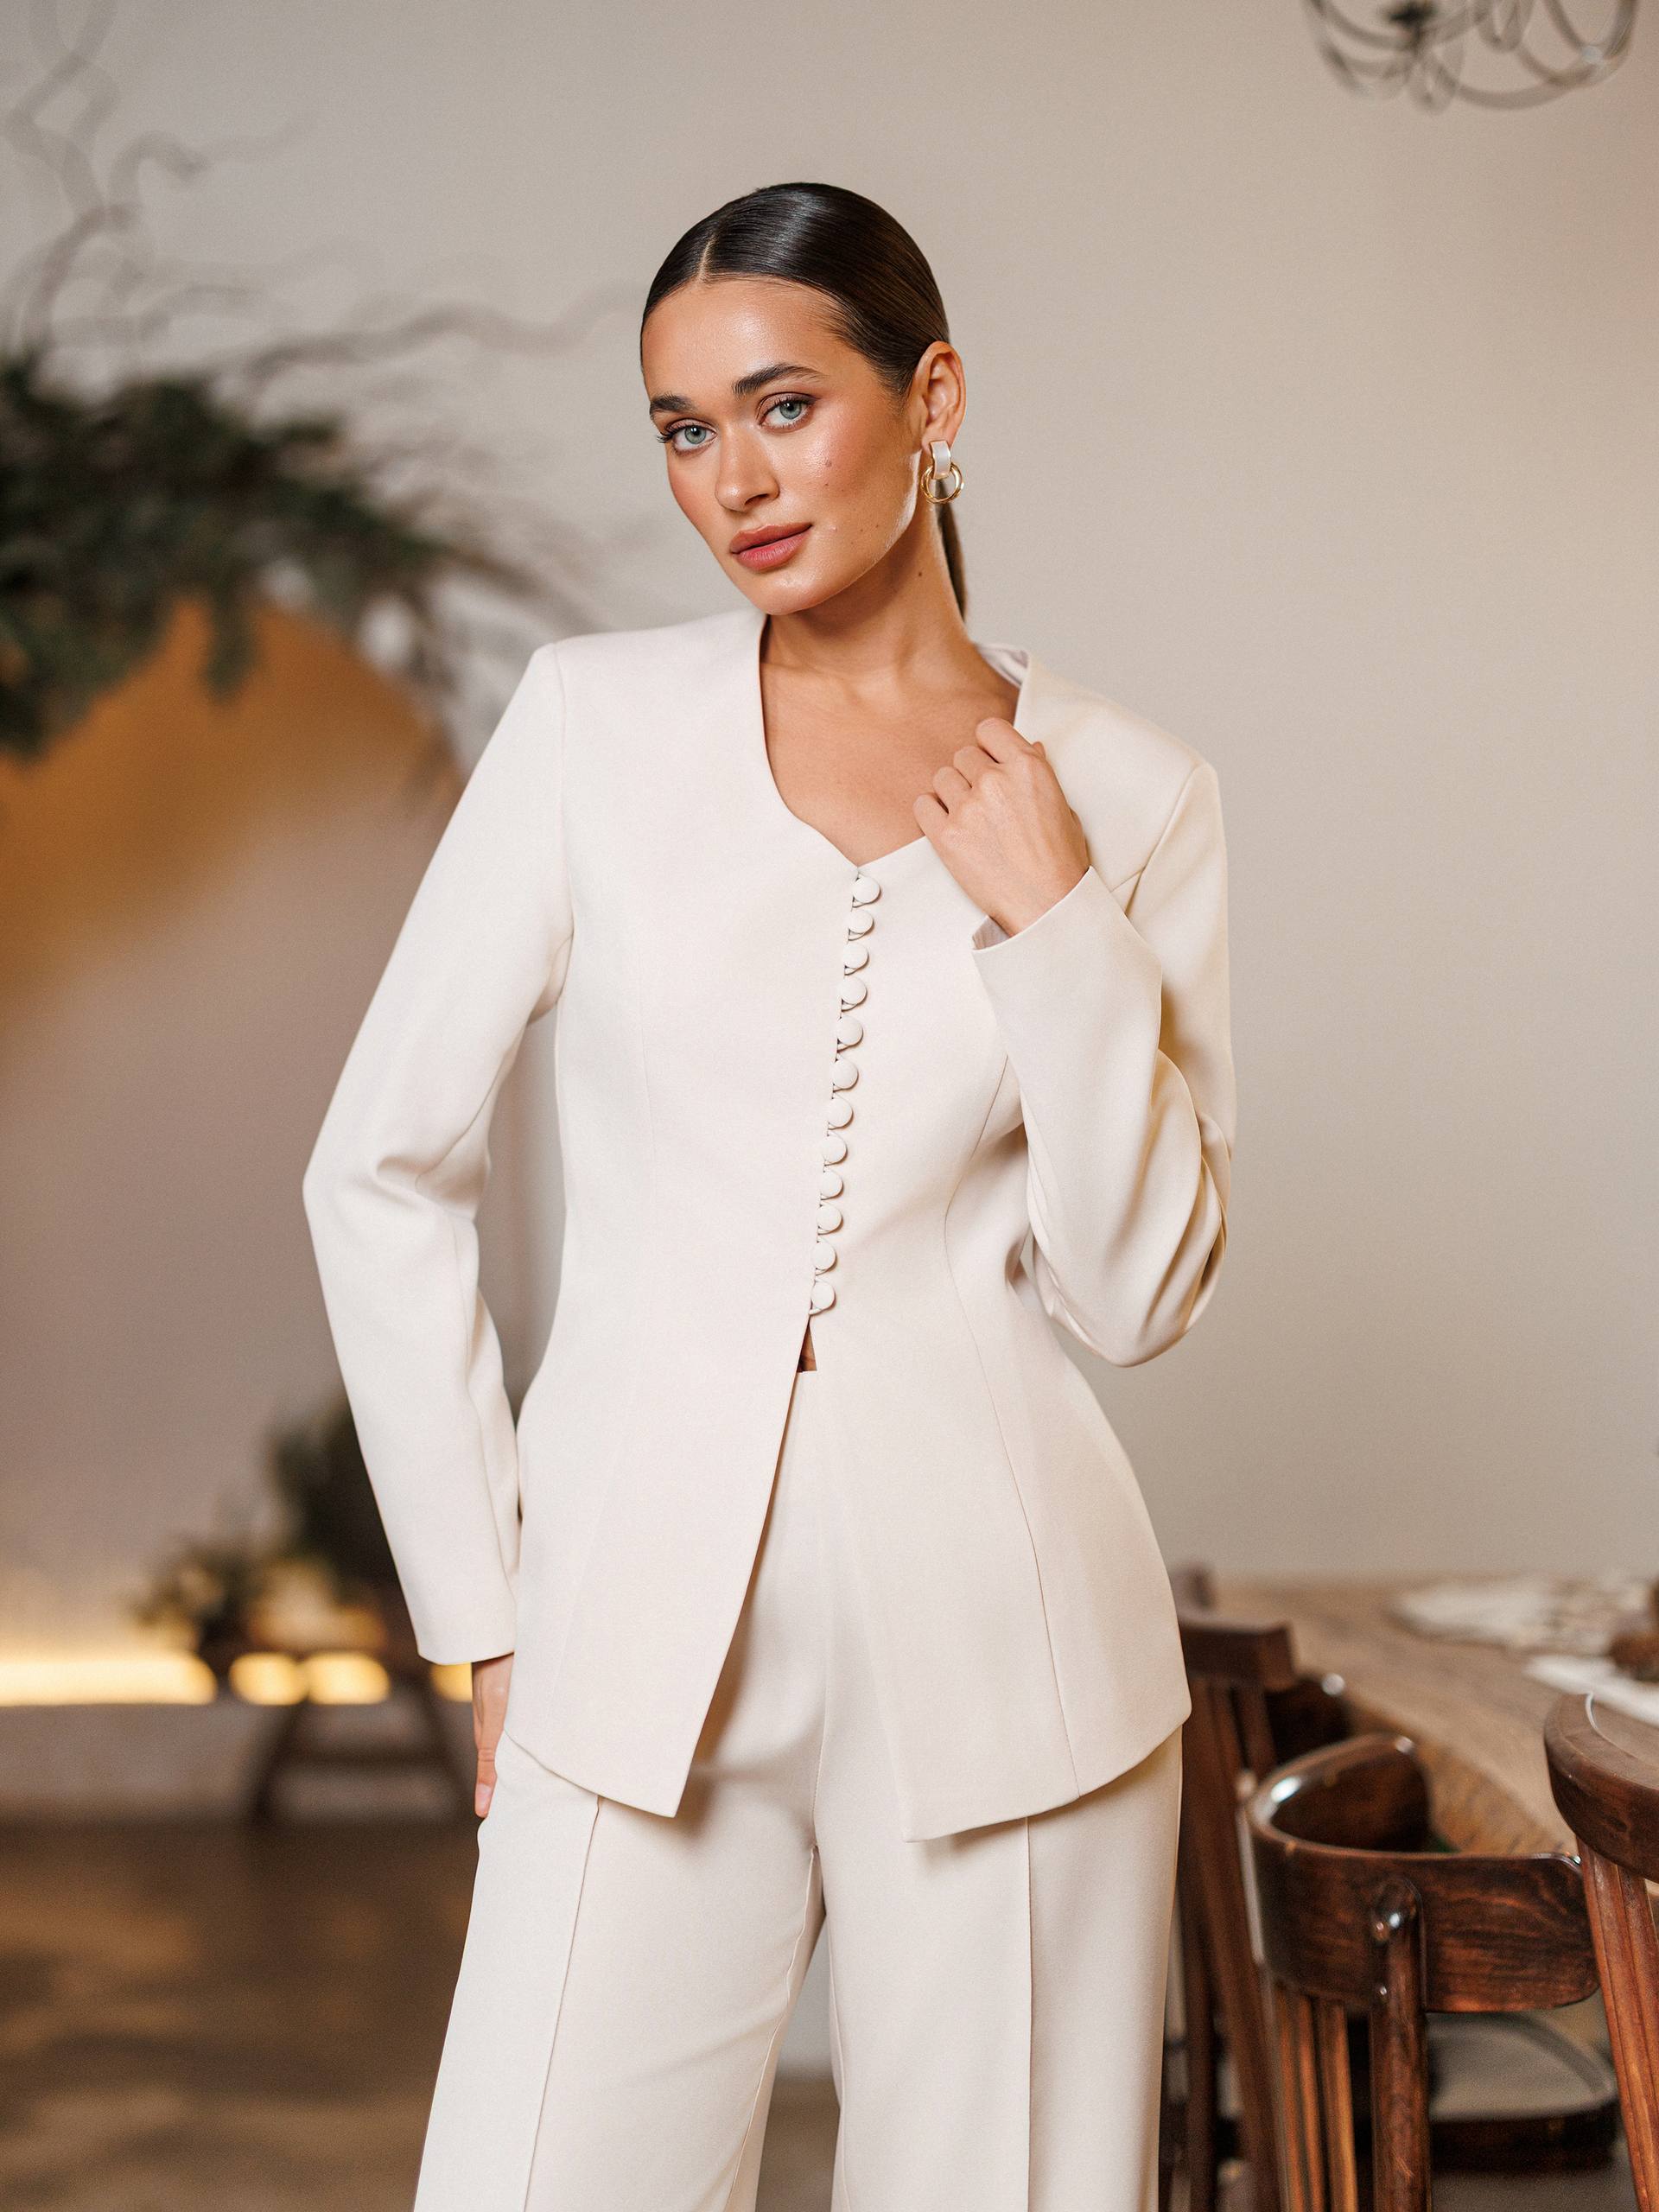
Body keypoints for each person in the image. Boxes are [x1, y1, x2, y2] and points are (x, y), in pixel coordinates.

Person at [302, 179, 1236, 2212]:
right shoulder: (589, 729)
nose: (735, 478)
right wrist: (484, 1611)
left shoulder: (1134, 795)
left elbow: (1139, 1285)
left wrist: (1059, 920)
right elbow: (377, 1164)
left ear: (935, 397)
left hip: (1016, 1662)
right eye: (684, 429)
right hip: (629, 1633)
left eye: (784, 405)